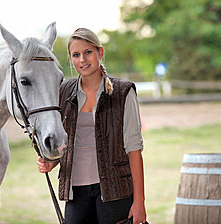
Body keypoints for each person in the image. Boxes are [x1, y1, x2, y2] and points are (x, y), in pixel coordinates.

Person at [37, 28, 147, 224]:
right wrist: (51, 162)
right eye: (76, 55)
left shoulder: (123, 92)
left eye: (88, 52)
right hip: (75, 192)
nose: (82, 60)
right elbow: (67, 142)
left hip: (115, 191)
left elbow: (134, 149)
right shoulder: (63, 92)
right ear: (70, 59)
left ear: (100, 52)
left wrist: (139, 201)